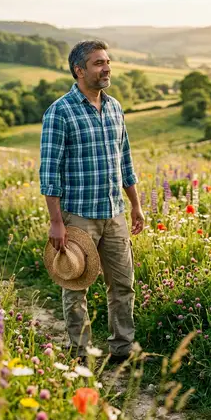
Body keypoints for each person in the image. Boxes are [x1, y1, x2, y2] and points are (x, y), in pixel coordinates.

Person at [39, 39, 145, 363]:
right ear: (79, 70)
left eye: (107, 61)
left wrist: (136, 205)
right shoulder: (59, 112)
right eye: (99, 63)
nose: (106, 68)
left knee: (123, 286)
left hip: (115, 214)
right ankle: (79, 355)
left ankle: (123, 350)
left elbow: (124, 160)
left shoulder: (114, 108)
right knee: (75, 288)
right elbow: (49, 173)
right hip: (79, 217)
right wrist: (56, 222)